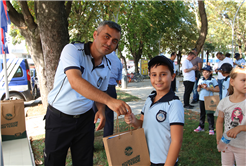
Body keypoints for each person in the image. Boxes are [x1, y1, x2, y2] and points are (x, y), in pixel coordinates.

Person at [44, 21, 131, 166]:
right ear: (95, 35)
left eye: (114, 41)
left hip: (86, 119)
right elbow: (75, 81)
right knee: (54, 162)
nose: (109, 43)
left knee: (84, 162)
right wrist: (110, 101)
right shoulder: (72, 50)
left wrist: (102, 110)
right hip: (59, 117)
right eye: (106, 37)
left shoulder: (107, 65)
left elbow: (101, 90)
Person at [124, 56, 184, 166]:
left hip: (163, 161)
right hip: (145, 156)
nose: (158, 79)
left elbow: (177, 141)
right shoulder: (149, 98)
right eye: (154, 75)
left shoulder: (174, 104)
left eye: (163, 74)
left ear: (172, 76)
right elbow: (141, 124)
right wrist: (133, 120)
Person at [215, 66, 246, 166]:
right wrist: (219, 140)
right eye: (243, 80)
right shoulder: (224, 102)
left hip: (243, 147)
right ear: (232, 82)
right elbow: (219, 121)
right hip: (227, 144)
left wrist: (240, 128)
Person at [93, 49, 123, 137]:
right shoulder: (118, 61)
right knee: (109, 117)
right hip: (111, 90)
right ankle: (107, 143)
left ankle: (89, 143)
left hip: (97, 89)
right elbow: (118, 79)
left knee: (92, 116)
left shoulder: (99, 55)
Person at [194, 65, 219, 135]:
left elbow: (218, 89)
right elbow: (198, 90)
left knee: (210, 114)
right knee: (202, 113)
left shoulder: (213, 80)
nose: (204, 74)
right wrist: (199, 87)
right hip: (202, 99)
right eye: (203, 72)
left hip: (210, 99)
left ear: (210, 72)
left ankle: (211, 128)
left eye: (206, 72)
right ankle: (201, 126)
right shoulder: (201, 80)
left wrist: (209, 89)